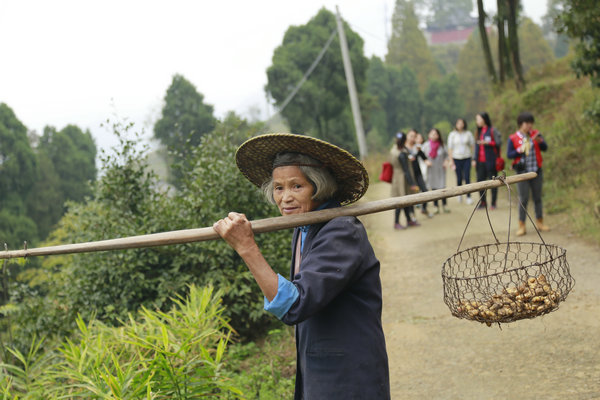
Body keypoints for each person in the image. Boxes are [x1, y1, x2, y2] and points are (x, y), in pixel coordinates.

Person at [213, 133, 390, 399]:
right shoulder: (304, 227)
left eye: (297, 186)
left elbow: (294, 305)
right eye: (279, 188)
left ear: (318, 187)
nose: (285, 198)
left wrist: (246, 247)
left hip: (348, 377)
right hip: (319, 372)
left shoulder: (341, 231)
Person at [507, 112, 550, 236]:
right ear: (521, 124)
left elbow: (545, 148)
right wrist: (519, 150)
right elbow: (509, 154)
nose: (529, 125)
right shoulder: (513, 138)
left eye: (531, 123)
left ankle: (540, 222)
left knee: (537, 198)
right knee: (523, 199)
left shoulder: (535, 134)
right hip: (521, 173)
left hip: (536, 171)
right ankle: (522, 225)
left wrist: (540, 141)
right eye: (527, 123)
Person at [390, 132, 419, 229]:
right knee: (400, 201)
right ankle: (396, 222)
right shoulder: (401, 153)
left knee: (404, 200)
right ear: (404, 140)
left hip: (396, 177)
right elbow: (406, 170)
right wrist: (412, 184)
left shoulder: (394, 149)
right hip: (402, 179)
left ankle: (409, 220)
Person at [473, 112, 502, 209]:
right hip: (480, 161)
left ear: (484, 119)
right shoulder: (478, 131)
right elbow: (476, 147)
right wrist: (474, 159)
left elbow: (499, 142)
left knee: (493, 182)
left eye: (478, 119)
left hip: (491, 160)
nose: (477, 121)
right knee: (480, 182)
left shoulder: (493, 130)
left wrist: (488, 143)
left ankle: (493, 203)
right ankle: (483, 202)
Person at [447, 118, 475, 205]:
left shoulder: (468, 134)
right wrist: (451, 160)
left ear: (464, 124)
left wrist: (473, 158)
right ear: (456, 124)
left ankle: (468, 196)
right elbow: (450, 148)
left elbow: (472, 145)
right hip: (456, 158)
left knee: (467, 177)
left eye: (461, 123)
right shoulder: (452, 135)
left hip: (466, 157)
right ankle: (459, 194)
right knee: (459, 178)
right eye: (458, 123)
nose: (460, 125)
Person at [422, 128, 450, 214]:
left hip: (440, 169)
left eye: (436, 134)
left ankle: (444, 205)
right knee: (433, 187)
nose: (434, 135)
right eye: (432, 134)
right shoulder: (426, 145)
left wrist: (445, 162)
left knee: (442, 187)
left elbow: (446, 155)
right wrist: (425, 162)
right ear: (429, 135)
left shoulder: (442, 145)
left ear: (438, 135)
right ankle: (436, 206)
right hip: (431, 170)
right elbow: (421, 156)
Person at [406, 129, 431, 219]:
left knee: (425, 191)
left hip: (418, 173)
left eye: (414, 136)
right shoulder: (404, 148)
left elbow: (423, 156)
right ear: (407, 136)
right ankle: (412, 215)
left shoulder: (417, 148)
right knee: (411, 195)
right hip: (409, 175)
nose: (413, 138)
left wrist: (427, 161)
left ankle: (424, 208)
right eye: (411, 136)